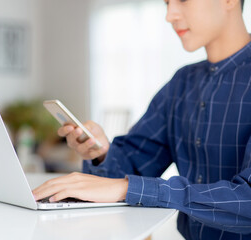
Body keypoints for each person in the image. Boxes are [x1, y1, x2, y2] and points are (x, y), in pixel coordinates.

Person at [33, 0, 251, 239]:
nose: (170, 15)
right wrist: (101, 152)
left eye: (182, 0)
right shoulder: (182, 82)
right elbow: (133, 166)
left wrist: (128, 189)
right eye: (166, 2)